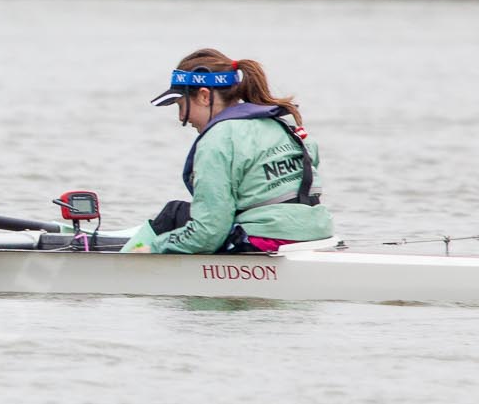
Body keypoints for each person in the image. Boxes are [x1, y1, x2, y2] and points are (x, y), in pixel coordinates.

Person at [122, 48, 331, 254]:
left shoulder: (218, 139)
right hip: (318, 233)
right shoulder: (285, 127)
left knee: (173, 214)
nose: (181, 117)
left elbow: (208, 233)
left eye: (181, 105)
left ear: (204, 96)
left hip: (266, 241)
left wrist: (155, 248)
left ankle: (127, 262)